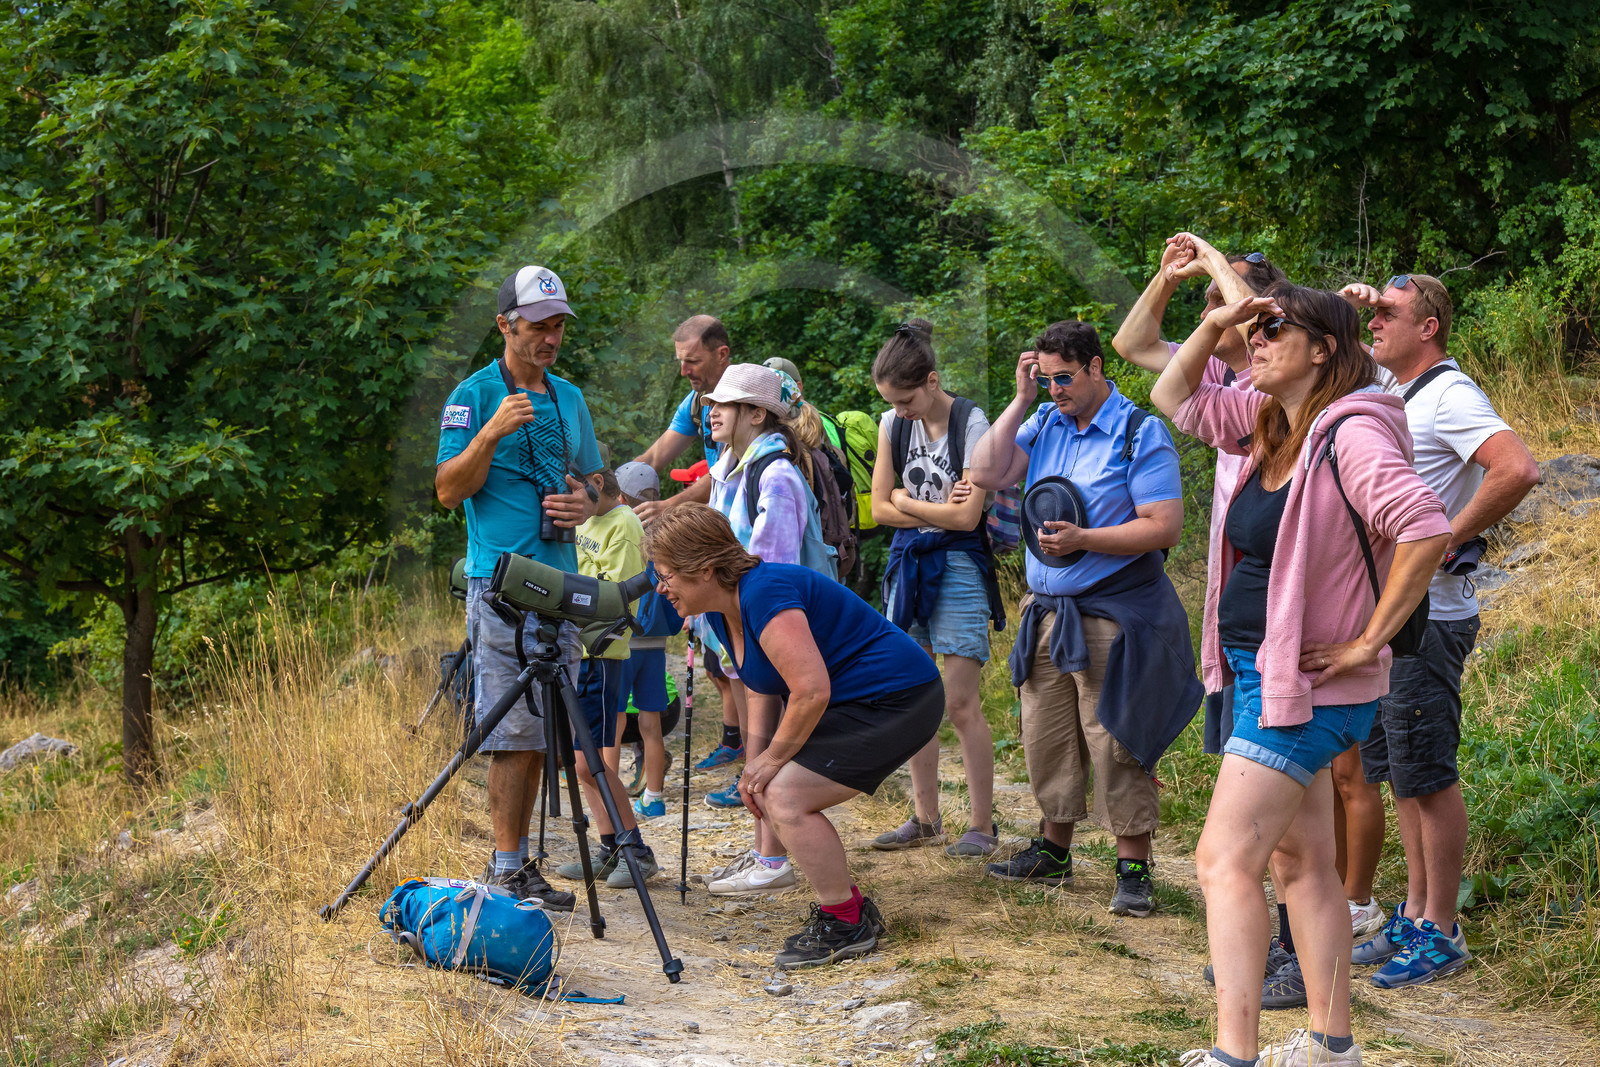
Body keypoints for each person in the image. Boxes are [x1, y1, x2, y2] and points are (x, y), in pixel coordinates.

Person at [1151, 282, 1451, 1067]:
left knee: (1222, 862)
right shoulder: (1273, 423)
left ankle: (1232, 1052)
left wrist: (1366, 641)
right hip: (1270, 678)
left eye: (1273, 326)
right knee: (1302, 863)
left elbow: (1424, 525)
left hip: (1303, 690)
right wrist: (1221, 316)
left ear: (1323, 347)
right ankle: (1330, 1045)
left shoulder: (1351, 433)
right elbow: (1171, 392)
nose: (1257, 338)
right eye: (1255, 326)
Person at [1115, 234, 1311, 1007]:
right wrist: (1169, 276)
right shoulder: (1219, 380)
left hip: (1278, 620)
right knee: (1258, 806)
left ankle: (1291, 952)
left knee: (1285, 809)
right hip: (1233, 625)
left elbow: (1251, 312)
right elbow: (1134, 343)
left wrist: (1222, 262)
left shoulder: (1280, 392)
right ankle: (1261, 943)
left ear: (1266, 316)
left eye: (1224, 302)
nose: (1212, 311)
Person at [1338, 273, 1539, 989]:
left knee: (1430, 771)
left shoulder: (1451, 395)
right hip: (1393, 616)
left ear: (1430, 327)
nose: (1377, 322)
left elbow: (1516, 467)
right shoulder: (1396, 391)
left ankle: (1445, 928)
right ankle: (1418, 913)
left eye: (1391, 313)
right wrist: (1357, 304)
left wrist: (1445, 538)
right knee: (1402, 774)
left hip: (1433, 614)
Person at [644, 503, 945, 969]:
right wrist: (755, 764)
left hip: (898, 698)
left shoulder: (764, 592)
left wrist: (769, 767)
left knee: (784, 797)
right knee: (768, 787)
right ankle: (852, 911)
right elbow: (765, 688)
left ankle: (847, 922)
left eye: (666, 577)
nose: (660, 588)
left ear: (703, 570)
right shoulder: (725, 607)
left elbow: (809, 689)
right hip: (854, 702)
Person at [969, 320, 1200, 919]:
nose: (1055, 390)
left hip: (1112, 611)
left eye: (1063, 377)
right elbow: (986, 473)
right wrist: (1020, 397)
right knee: (1046, 734)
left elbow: (1163, 525)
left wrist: (1084, 539)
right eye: (1045, 379)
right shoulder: (1042, 421)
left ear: (1097, 366)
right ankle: (1054, 852)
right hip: (1047, 614)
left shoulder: (1138, 432)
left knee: (1115, 740)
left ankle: (1134, 870)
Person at [435, 265, 600, 912]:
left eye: (558, 326)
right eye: (538, 325)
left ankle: (524, 865)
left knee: (546, 729)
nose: (550, 338)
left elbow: (598, 478)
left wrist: (587, 500)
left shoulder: (570, 398)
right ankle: (505, 867)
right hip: (499, 585)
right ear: (505, 324)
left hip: (558, 584)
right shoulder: (472, 396)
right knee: (511, 730)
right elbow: (449, 489)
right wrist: (490, 432)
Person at [866, 320, 1004, 860]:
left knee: (961, 701)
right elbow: (876, 510)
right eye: (892, 404)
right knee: (918, 695)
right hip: (909, 567)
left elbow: (969, 518)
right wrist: (929, 510)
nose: (900, 412)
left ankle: (982, 825)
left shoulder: (972, 423)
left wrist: (906, 501)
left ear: (931, 380)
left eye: (906, 401)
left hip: (960, 568)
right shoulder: (891, 425)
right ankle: (925, 819)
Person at [700, 363, 834, 894]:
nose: (712, 412)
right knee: (758, 742)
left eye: (724, 405)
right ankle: (764, 850)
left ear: (756, 414)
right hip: (744, 629)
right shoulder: (733, 467)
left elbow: (770, 567)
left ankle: (772, 859)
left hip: (765, 630)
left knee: (765, 740)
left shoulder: (775, 474)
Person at [615, 461, 684, 819]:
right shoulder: (665, 533)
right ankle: (654, 798)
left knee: (612, 724)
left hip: (622, 644)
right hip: (655, 645)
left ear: (621, 496)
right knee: (650, 726)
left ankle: (609, 798)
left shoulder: (622, 530)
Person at [633, 315, 736, 522]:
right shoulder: (696, 402)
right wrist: (610, 492)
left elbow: (726, 472)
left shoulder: (748, 405)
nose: (683, 372)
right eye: (681, 361)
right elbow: (652, 459)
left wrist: (669, 506)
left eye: (693, 361)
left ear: (721, 355)